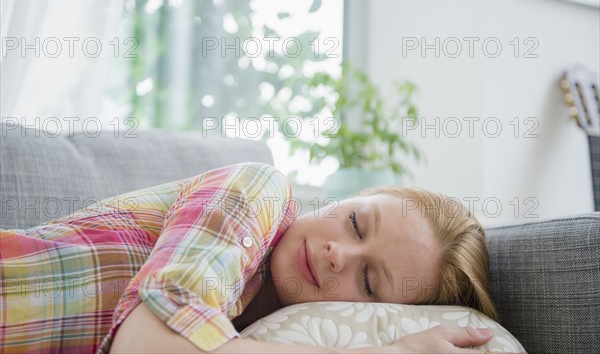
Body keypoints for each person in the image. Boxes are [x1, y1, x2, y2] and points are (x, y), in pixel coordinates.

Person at [0, 162, 520, 354]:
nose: (339, 252)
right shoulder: (260, 191)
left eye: (368, 281)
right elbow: (149, 344)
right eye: (356, 222)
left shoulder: (272, 332)